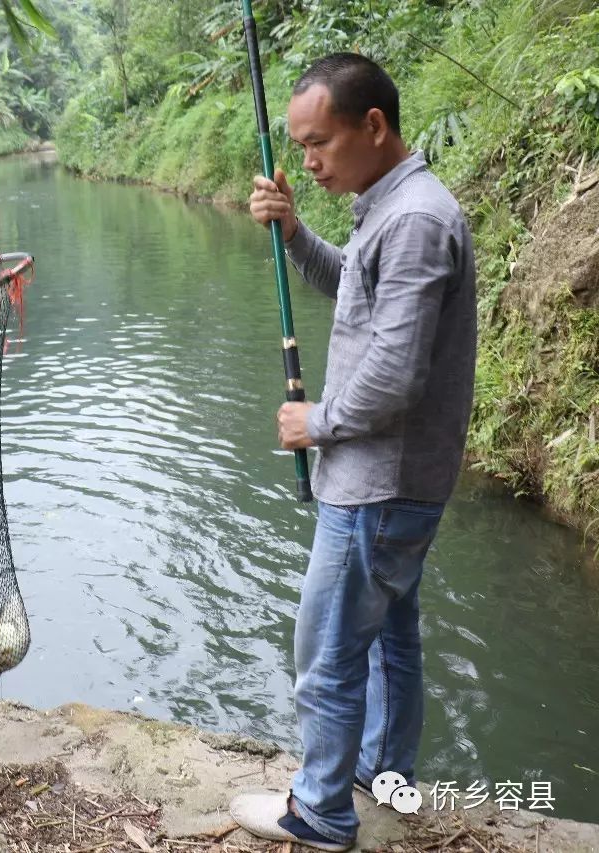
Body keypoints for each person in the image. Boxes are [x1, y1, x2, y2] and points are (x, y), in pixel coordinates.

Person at [229, 54, 477, 851]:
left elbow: (397, 376)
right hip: (398, 480)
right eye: (299, 145)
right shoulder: (394, 206)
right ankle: (382, 770)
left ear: (373, 126)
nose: (307, 160)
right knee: (392, 636)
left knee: (329, 650)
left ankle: (323, 810)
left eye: (319, 142)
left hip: (377, 484)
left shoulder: (414, 219)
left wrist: (317, 421)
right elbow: (355, 287)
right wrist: (297, 233)